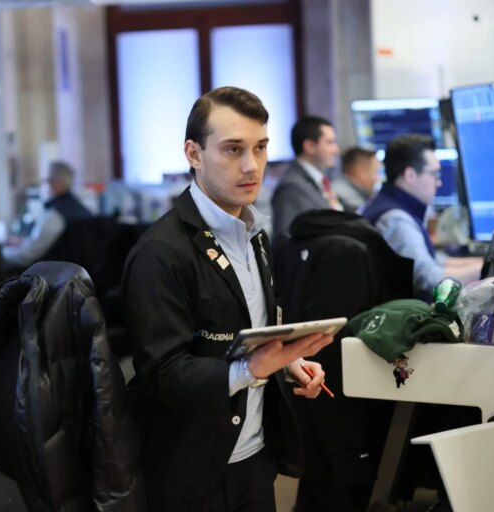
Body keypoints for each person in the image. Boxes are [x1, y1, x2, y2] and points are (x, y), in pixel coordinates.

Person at [122, 86, 334, 511]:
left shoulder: (253, 233)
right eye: (232, 149)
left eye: (260, 148)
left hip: (253, 457)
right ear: (193, 154)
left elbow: (247, 333)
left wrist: (287, 361)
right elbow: (161, 374)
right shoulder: (160, 252)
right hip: (189, 470)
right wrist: (252, 368)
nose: (251, 166)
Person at [362, 134, 483, 300]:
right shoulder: (395, 219)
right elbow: (429, 280)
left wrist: (483, 262)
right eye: (435, 174)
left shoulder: (388, 203)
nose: (438, 183)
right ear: (410, 175)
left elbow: (433, 260)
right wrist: (486, 271)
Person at [2, 161, 92, 269]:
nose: (41, 186)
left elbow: (26, 256)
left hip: (48, 279)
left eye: (44, 181)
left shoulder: (54, 217)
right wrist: (24, 242)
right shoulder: (86, 212)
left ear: (57, 184)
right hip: (77, 278)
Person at [271, 115, 341, 244]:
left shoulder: (319, 181)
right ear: (309, 146)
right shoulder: (291, 187)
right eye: (330, 143)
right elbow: (285, 241)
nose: (336, 150)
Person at [332, 146, 380, 213]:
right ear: (361, 173)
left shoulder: (338, 187)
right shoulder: (351, 201)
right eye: (376, 172)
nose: (378, 178)